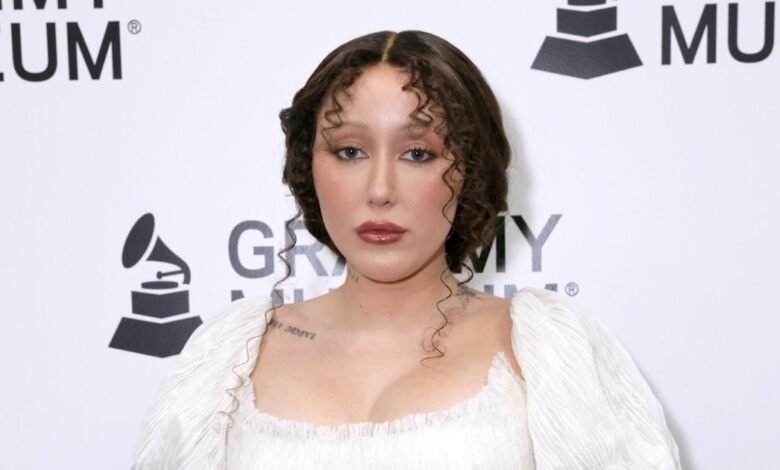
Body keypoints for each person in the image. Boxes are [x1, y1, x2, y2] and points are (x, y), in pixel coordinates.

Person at [131, 30, 682, 469]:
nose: (379, 190)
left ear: (469, 172)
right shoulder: (228, 359)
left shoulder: (548, 351)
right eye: (349, 151)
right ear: (307, 169)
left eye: (418, 153)